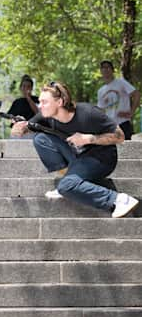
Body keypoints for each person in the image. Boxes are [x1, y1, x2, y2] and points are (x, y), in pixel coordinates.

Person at [11, 81, 139, 218]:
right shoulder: (46, 116)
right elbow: (27, 127)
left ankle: (118, 199)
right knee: (41, 139)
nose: (40, 105)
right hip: (77, 156)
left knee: (65, 187)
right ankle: (72, 178)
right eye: (40, 102)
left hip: (101, 159)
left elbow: (120, 136)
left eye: (44, 102)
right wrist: (18, 128)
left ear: (59, 102)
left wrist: (89, 138)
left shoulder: (88, 113)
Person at [97, 60, 140, 140]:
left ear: (112, 70)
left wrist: (132, 112)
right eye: (103, 68)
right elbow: (101, 110)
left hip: (123, 123)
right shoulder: (101, 91)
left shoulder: (121, 82)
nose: (105, 69)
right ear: (100, 71)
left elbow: (137, 94)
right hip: (110, 126)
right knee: (112, 151)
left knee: (126, 150)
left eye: (108, 67)